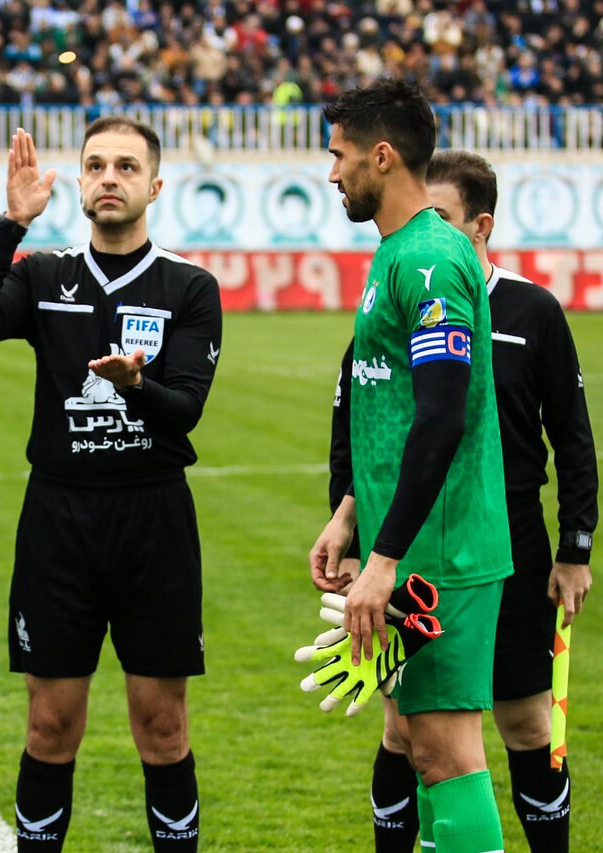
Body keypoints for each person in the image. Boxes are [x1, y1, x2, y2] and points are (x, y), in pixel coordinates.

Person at [0, 119, 222, 850]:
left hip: (154, 520)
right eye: (95, 164)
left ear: (154, 186)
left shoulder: (190, 287)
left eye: (126, 166)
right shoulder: (43, 275)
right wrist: (10, 224)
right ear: (78, 182)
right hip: (59, 520)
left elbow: (187, 408)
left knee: (162, 725)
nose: (109, 177)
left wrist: (135, 386)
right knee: (50, 723)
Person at [328, 151, 596, 852]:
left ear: (480, 226)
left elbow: (572, 435)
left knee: (526, 728)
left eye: (441, 218)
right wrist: (351, 524)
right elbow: (361, 428)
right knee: (409, 732)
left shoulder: (531, 310)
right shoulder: (398, 295)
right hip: (415, 544)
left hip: (506, 544)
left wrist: (574, 547)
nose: (428, 232)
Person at [308, 79, 512, 852]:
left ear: (382, 156)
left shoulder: (427, 258)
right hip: (415, 542)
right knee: (420, 745)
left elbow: (440, 415)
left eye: (340, 155)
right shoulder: (400, 251)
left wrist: (384, 561)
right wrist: (351, 510)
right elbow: (390, 408)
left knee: (448, 751)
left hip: (444, 554)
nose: (332, 174)